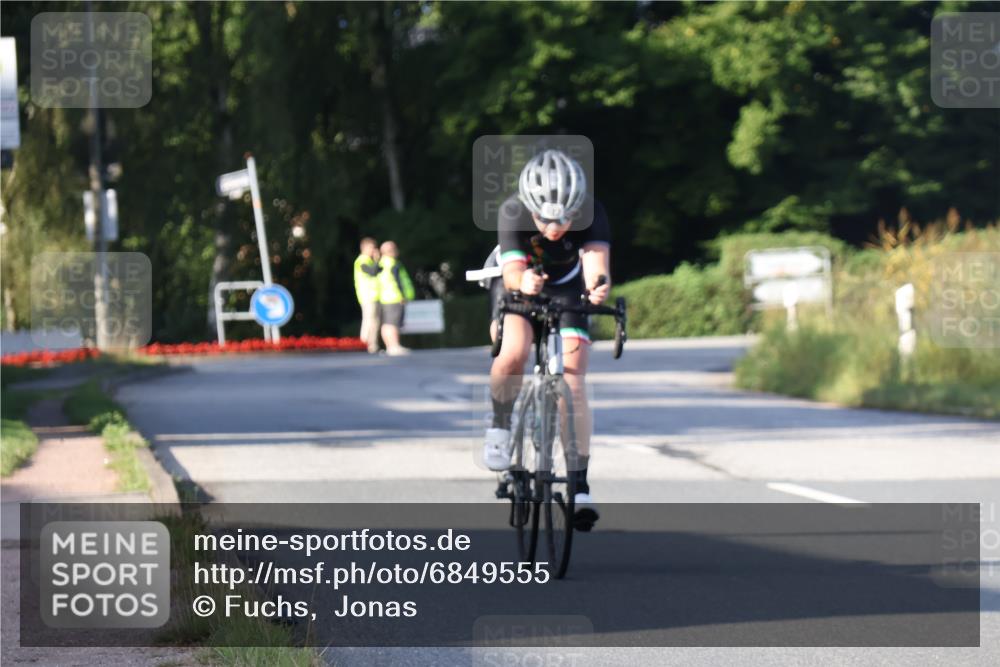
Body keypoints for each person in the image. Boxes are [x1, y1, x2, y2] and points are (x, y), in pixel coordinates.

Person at [483, 149, 610, 531]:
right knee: (514, 350)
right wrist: (522, 281)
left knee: (574, 378)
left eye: (566, 218)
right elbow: (511, 271)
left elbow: (596, 265)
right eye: (545, 218)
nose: (556, 227)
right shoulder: (513, 211)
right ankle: (500, 424)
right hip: (518, 281)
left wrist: (598, 287)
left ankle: (579, 485)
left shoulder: (592, 211)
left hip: (567, 286)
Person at [378, 240, 416, 356]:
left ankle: (390, 346)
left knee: (387, 324)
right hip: (395, 297)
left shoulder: (381, 263)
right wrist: (402, 295)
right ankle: (394, 346)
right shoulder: (392, 263)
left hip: (386, 297)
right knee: (393, 324)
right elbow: (398, 281)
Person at [353, 237, 382, 354]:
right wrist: (377, 260)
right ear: (364, 248)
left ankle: (372, 346)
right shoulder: (361, 260)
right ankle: (364, 345)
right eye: (372, 248)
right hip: (367, 296)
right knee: (369, 321)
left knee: (375, 322)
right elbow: (372, 272)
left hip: (374, 296)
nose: (374, 250)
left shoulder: (368, 260)